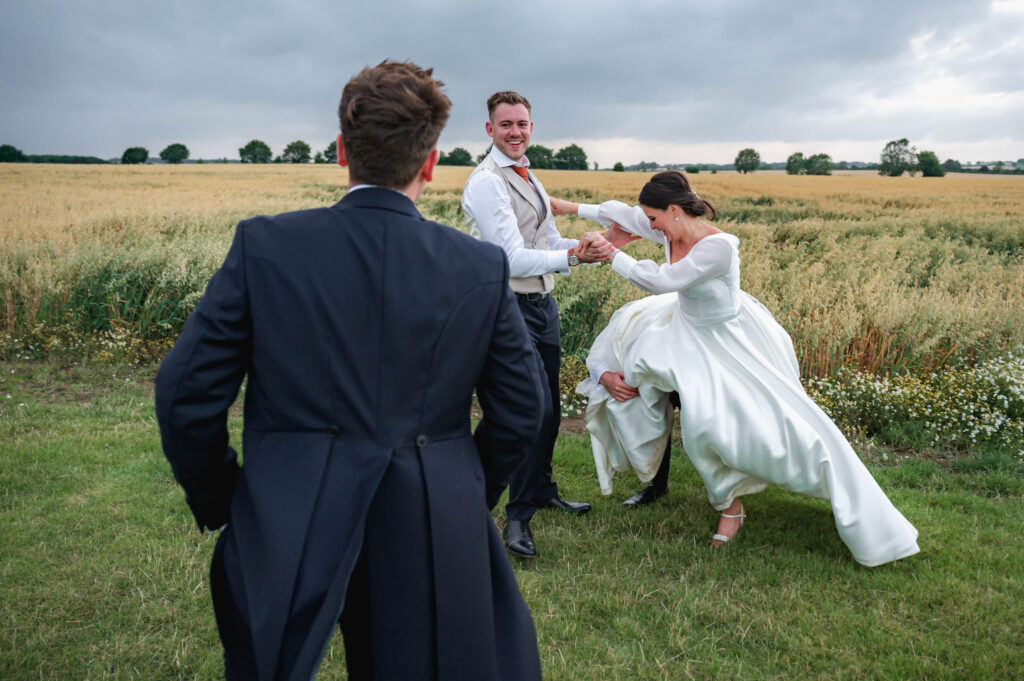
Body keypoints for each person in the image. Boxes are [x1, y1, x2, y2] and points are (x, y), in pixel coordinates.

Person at [155, 61, 546, 681]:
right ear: (429, 163)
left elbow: (185, 392)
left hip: (290, 505)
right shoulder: (477, 266)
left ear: (341, 151)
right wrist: (464, 487)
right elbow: (524, 406)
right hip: (432, 513)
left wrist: (231, 496)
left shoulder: (266, 245)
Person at [550, 171, 920, 567]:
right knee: (648, 390)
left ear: (674, 210)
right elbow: (625, 215)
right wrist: (569, 208)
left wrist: (611, 254)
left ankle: (830, 498)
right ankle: (717, 500)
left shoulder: (718, 248)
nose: (650, 226)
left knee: (761, 427)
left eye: (655, 218)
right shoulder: (668, 227)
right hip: (685, 333)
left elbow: (663, 281)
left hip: (729, 342)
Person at [462, 91, 612, 558]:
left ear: (531, 127)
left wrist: (591, 247)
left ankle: (542, 489)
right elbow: (509, 257)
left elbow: (546, 239)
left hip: (541, 304)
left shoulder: (531, 176)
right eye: (505, 124)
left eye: (522, 124)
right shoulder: (486, 183)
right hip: (504, 306)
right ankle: (516, 518)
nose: (515, 132)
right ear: (490, 130)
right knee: (529, 410)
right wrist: (572, 256)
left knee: (549, 405)